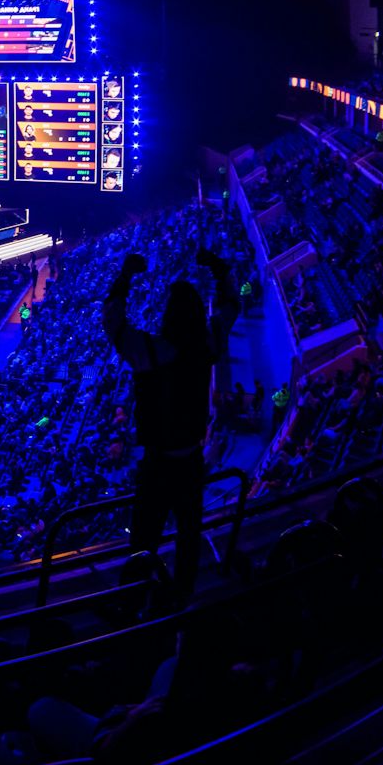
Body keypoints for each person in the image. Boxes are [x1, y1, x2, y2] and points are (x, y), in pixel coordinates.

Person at [103, 246, 239, 601]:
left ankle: (131, 602)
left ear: (167, 315)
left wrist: (126, 277)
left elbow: (113, 321)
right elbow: (230, 306)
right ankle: (182, 599)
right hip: (192, 461)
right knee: (189, 536)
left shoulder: (150, 351)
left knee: (142, 541)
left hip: (157, 464)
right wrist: (219, 268)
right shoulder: (209, 346)